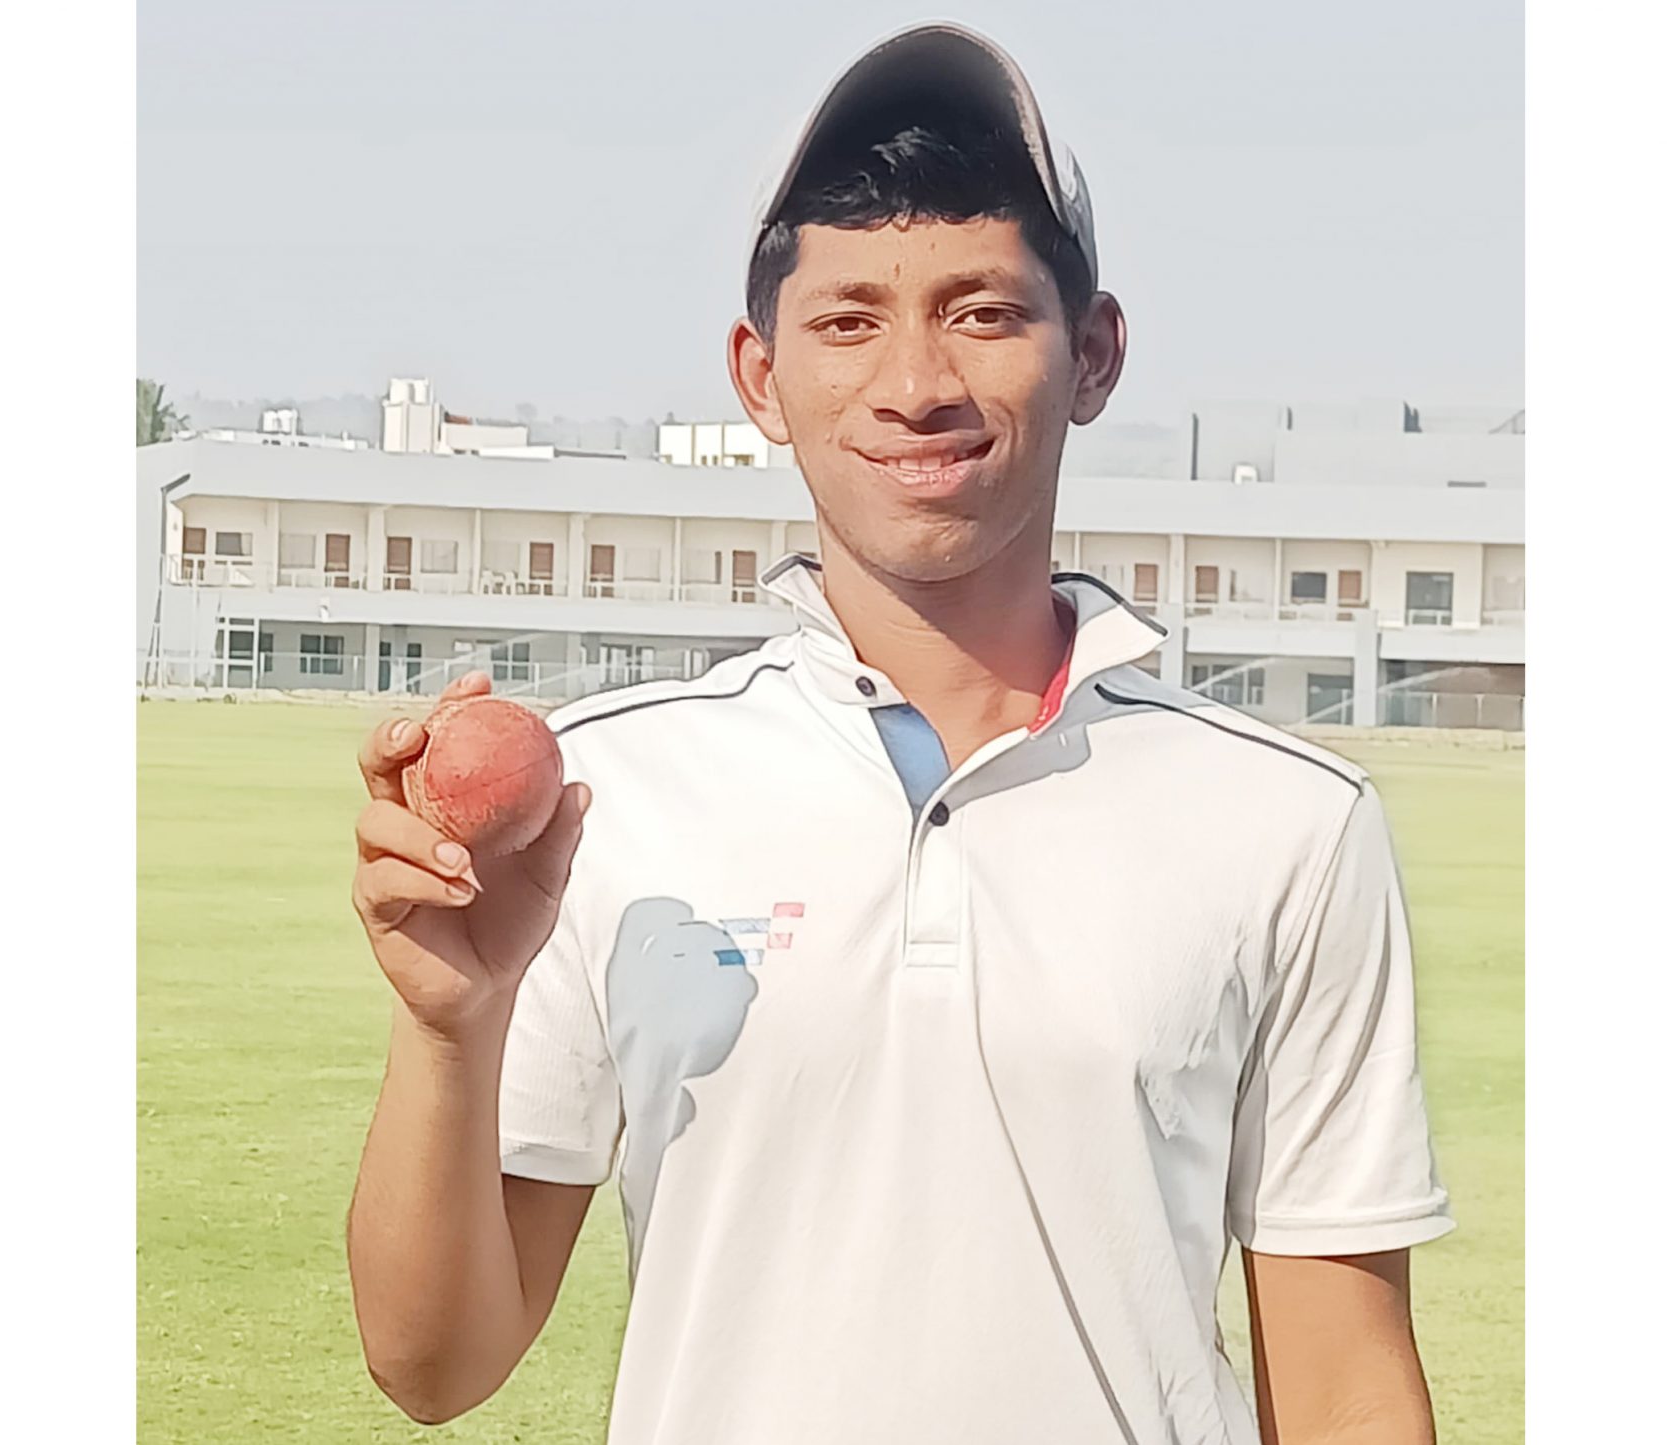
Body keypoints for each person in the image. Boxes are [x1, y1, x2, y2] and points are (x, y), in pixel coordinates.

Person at [344, 22, 1452, 1445]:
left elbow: (1347, 1382)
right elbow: (434, 1366)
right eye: (849, 320)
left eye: (982, 313)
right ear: (759, 376)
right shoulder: (604, 798)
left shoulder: (1288, 821)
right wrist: (449, 1024)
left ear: (1094, 353)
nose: (916, 382)